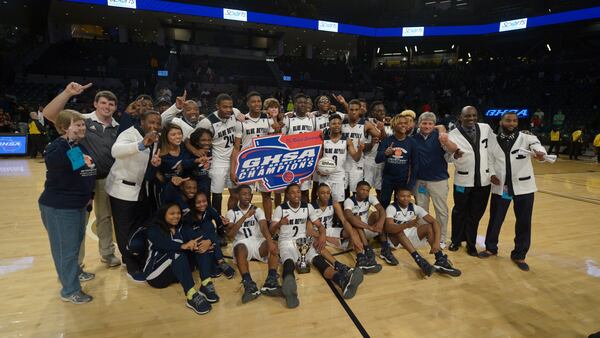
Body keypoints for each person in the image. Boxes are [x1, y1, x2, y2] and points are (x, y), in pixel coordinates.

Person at [43, 84, 123, 268]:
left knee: (104, 218)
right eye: (103, 102)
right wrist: (67, 93)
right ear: (95, 104)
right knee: (80, 220)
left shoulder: (119, 127)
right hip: (80, 180)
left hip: (105, 179)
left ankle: (107, 253)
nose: (107, 106)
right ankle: (76, 262)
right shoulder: (82, 120)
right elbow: (49, 114)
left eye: (111, 104)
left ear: (115, 107)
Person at [38, 108, 96, 304]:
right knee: (66, 249)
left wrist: (90, 195)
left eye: (83, 124)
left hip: (78, 205)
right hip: (59, 207)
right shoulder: (57, 148)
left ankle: (75, 272)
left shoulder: (79, 145)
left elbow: (84, 173)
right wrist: (67, 141)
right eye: (77, 124)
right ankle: (69, 290)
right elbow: (55, 164)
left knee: (75, 244)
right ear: (64, 128)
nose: (82, 127)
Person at [479, 111, 549, 271]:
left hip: (524, 187)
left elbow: (537, 148)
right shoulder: (492, 141)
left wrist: (541, 154)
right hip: (501, 186)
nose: (511, 123)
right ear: (501, 122)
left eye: (514, 121)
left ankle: (519, 254)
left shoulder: (527, 138)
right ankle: (490, 247)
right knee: (495, 219)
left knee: (524, 222)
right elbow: (489, 160)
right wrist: (492, 175)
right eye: (508, 120)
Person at [106, 110, 162, 281]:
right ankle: (130, 263)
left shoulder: (156, 139)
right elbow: (115, 151)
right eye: (151, 122)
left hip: (140, 190)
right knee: (124, 229)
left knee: (137, 227)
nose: (154, 126)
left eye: (157, 123)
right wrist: (141, 144)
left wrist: (154, 164)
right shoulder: (130, 133)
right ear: (142, 122)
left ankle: (134, 255)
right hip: (121, 189)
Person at [144, 203, 213, 315]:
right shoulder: (154, 228)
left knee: (201, 247)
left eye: (178, 213)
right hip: (156, 274)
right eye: (172, 213)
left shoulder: (181, 227)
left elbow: (198, 235)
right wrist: (182, 246)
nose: (176, 216)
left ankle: (206, 284)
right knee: (177, 253)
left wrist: (208, 241)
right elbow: (163, 244)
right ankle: (191, 295)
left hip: (173, 272)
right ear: (163, 214)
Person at [446, 106, 496, 256]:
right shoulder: (452, 135)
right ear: (460, 117)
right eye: (467, 116)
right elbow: (447, 157)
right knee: (459, 211)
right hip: (463, 180)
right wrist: (455, 156)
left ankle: (471, 243)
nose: (471, 119)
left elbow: (495, 146)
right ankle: (456, 239)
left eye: (474, 116)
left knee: (475, 213)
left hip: (483, 181)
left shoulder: (485, 128)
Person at [385, 188, 461, 278]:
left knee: (429, 227)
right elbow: (389, 228)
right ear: (396, 196)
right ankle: (420, 261)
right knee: (399, 231)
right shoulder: (391, 208)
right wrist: (407, 225)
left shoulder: (415, 207)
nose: (406, 199)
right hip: (395, 241)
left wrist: (437, 243)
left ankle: (440, 259)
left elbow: (434, 222)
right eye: (403, 196)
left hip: (409, 237)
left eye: (408, 196)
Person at [225, 185, 282, 304]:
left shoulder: (257, 210)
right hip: (242, 243)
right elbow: (230, 235)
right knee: (239, 248)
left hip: (257, 241)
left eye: (249, 194)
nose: (247, 196)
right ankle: (249, 284)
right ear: (238, 196)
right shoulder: (231, 213)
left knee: (274, 245)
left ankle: (270, 282)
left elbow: (263, 227)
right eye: (244, 194)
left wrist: (270, 241)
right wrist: (245, 217)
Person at [310, 183, 364, 299]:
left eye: (328, 193)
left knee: (352, 230)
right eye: (322, 193)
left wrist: (351, 234)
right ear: (317, 194)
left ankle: (361, 257)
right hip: (316, 234)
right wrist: (327, 238)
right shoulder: (311, 207)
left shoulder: (334, 203)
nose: (326, 195)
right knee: (317, 244)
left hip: (329, 230)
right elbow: (308, 230)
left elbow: (344, 221)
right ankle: (340, 266)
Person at [412, 112, 458, 247]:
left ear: (434, 125)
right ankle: (423, 235)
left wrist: (446, 140)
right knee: (421, 210)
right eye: (424, 123)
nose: (427, 126)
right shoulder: (414, 139)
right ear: (419, 124)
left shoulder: (440, 137)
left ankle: (442, 237)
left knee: (441, 210)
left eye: (430, 123)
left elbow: (453, 150)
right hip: (420, 181)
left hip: (439, 180)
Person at [230, 92, 277, 220]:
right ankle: (242, 223)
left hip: (265, 162)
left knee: (266, 195)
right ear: (248, 104)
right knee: (244, 196)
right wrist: (233, 169)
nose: (257, 104)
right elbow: (236, 147)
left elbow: (273, 142)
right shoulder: (241, 121)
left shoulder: (268, 120)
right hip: (247, 163)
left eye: (259, 101)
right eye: (254, 101)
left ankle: (267, 223)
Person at [270, 183, 316, 308]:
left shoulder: (307, 207)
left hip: (302, 242)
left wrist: (322, 234)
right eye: (293, 192)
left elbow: (318, 224)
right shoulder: (281, 209)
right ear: (287, 195)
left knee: (317, 260)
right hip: (285, 242)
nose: (296, 195)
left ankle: (340, 278)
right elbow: (271, 231)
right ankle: (290, 287)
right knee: (288, 262)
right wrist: (280, 223)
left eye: (298, 192)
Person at [193, 93, 238, 214]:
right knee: (217, 196)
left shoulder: (236, 113)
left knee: (235, 194)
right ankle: (217, 222)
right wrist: (198, 152)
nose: (228, 110)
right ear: (217, 106)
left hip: (234, 161)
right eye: (225, 107)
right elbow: (191, 139)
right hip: (218, 162)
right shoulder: (207, 122)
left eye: (230, 106)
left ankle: (230, 218)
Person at [188, 191, 235, 279]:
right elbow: (189, 233)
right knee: (206, 230)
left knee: (208, 226)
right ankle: (217, 262)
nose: (202, 204)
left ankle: (220, 261)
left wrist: (224, 222)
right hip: (195, 241)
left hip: (209, 239)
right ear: (193, 203)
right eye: (198, 202)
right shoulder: (189, 215)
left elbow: (218, 218)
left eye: (204, 201)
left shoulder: (209, 209)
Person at [375, 114, 419, 209]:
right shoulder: (387, 141)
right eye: (400, 123)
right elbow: (377, 159)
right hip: (387, 179)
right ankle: (384, 223)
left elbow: (415, 164)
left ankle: (397, 223)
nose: (403, 125)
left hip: (403, 180)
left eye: (405, 123)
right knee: (384, 203)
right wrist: (385, 154)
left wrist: (411, 184)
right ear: (394, 125)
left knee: (400, 205)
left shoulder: (412, 142)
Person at [343, 181, 386, 271]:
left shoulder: (371, 198)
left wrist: (381, 223)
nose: (365, 192)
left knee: (377, 214)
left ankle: (385, 247)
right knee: (356, 218)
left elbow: (381, 209)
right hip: (354, 232)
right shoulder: (349, 201)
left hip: (365, 229)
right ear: (356, 189)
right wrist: (370, 227)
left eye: (367, 190)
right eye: (362, 189)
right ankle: (365, 252)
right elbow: (349, 217)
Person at [318, 114, 360, 204]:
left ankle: (337, 218)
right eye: (333, 123)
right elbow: (318, 157)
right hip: (325, 175)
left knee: (338, 202)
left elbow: (356, 158)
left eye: (338, 123)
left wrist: (360, 149)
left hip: (339, 175)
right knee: (324, 201)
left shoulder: (347, 140)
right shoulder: (323, 139)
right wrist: (318, 170)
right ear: (329, 125)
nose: (336, 125)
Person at [342, 99, 380, 198]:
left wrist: (371, 143)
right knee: (343, 191)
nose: (354, 112)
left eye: (356, 109)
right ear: (348, 110)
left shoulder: (366, 124)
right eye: (351, 109)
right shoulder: (341, 122)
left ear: (360, 111)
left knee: (356, 192)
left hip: (357, 162)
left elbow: (380, 136)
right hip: (342, 161)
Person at [282, 93, 316, 202]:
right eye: (300, 102)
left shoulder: (312, 119)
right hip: (291, 159)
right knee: (290, 189)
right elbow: (282, 138)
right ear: (295, 104)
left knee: (305, 190)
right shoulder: (288, 118)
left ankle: (305, 213)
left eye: (305, 103)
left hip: (306, 159)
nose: (302, 105)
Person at [363, 101, 391, 201]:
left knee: (380, 190)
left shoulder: (390, 124)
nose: (382, 112)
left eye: (383, 110)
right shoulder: (367, 122)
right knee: (365, 188)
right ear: (372, 112)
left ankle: (381, 211)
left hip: (384, 161)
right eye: (378, 111)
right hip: (369, 159)